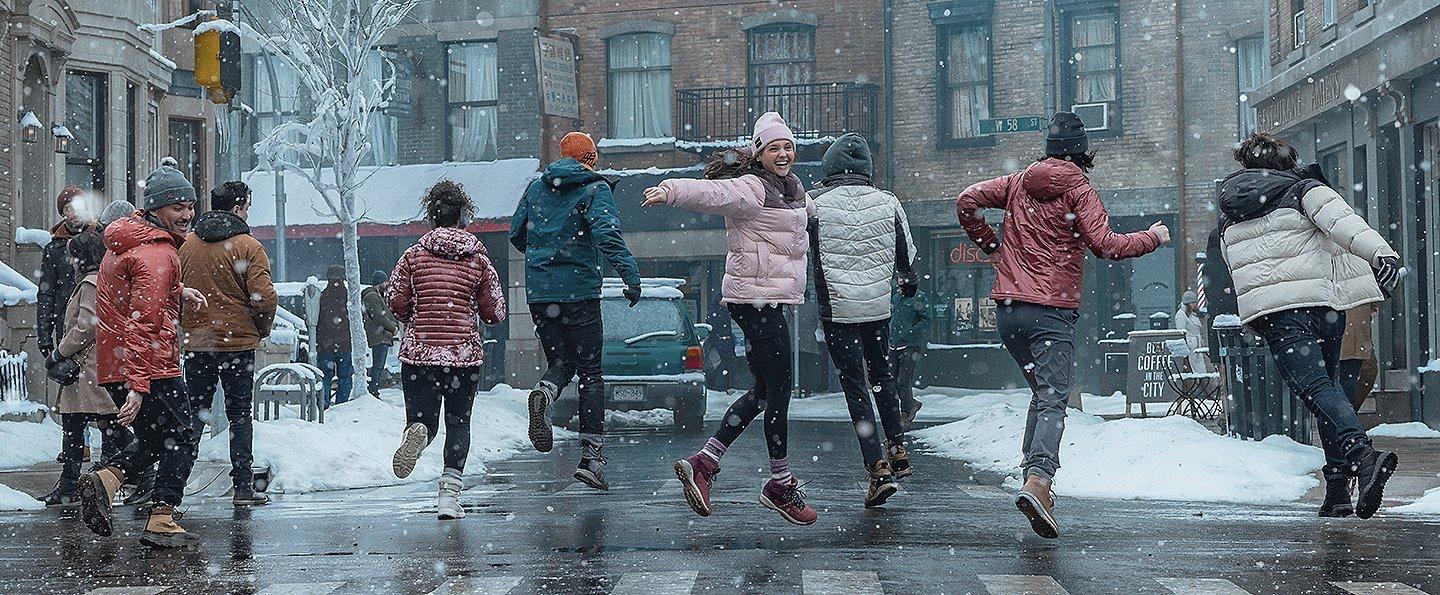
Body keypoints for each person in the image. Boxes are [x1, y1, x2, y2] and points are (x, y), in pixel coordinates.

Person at [957, 112, 1168, 538]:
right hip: (1050, 311)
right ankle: (1039, 480)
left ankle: (1034, 482)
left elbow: (966, 202)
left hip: (1009, 311)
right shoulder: (1079, 190)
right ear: (1082, 152)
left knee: (1042, 393)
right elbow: (1105, 245)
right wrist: (1152, 237)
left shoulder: (1017, 182)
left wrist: (993, 245)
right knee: (1054, 398)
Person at [1219, 132, 1402, 520]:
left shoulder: (1230, 209)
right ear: (1286, 161)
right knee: (1327, 388)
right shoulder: (1305, 190)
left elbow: (1232, 263)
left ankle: (1363, 457)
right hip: (1324, 306)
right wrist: (1382, 255)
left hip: (1278, 313)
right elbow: (1345, 225)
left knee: (1319, 391)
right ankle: (1337, 488)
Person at [646, 112, 819, 526]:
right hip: (754, 299)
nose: (783, 154)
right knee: (779, 389)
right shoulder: (752, 188)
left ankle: (704, 463)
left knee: (763, 392)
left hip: (768, 299)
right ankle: (779, 484)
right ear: (759, 153)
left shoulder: (794, 190)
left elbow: (819, 212)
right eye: (774, 148)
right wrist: (670, 191)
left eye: (788, 146)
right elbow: (712, 194)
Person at [76, 164, 208, 548]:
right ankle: (162, 516)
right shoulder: (157, 253)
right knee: (182, 437)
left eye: (190, 206)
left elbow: (132, 293)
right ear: (155, 209)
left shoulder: (129, 241)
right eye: (177, 207)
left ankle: (107, 479)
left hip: (117, 361)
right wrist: (138, 385)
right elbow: (144, 320)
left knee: (155, 439)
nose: (186, 215)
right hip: (150, 364)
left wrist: (178, 291)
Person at [509, 132, 642, 491]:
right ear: (591, 159)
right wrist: (630, 276)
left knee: (561, 363)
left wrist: (545, 253)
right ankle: (591, 458)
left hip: (541, 295)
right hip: (580, 292)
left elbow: (516, 234)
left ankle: (545, 392)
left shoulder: (536, 189)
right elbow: (607, 235)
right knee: (591, 373)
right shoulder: (594, 188)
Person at [807, 132, 917, 508]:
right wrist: (907, 284)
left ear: (830, 168)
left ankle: (876, 467)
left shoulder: (815, 205)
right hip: (877, 308)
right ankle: (897, 446)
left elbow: (799, 248)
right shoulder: (888, 201)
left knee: (855, 384)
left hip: (838, 310)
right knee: (882, 376)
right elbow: (907, 256)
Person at [387, 181, 507, 519]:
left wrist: (417, 315)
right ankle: (449, 496)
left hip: (419, 355)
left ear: (431, 217)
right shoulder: (479, 260)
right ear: (464, 217)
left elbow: (395, 301)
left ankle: (418, 433)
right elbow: (495, 312)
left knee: (424, 419)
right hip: (462, 357)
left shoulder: (412, 257)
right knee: (458, 423)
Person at [179, 181, 277, 506]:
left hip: (198, 342)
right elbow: (264, 298)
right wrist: (259, 329)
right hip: (237, 344)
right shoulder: (249, 247)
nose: (247, 213)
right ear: (237, 208)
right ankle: (243, 488)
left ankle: (173, 487)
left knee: (194, 413)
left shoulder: (188, 245)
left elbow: (174, 291)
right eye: (246, 207)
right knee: (240, 414)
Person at [38, 231, 134, 506]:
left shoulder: (91, 283)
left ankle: (142, 475)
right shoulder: (99, 280)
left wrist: (58, 353)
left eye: (73, 255)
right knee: (91, 424)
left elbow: (86, 327)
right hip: (90, 368)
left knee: (98, 425)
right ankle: (71, 485)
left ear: (82, 257)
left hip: (87, 369)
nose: (70, 261)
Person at [37, 186, 91, 367]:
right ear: (63, 214)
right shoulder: (54, 249)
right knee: (71, 378)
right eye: (68, 209)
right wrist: (44, 336)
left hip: (97, 321)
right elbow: (46, 293)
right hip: (67, 324)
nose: (74, 213)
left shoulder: (100, 238)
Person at [890, 284, 931, 428]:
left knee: (904, 380)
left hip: (910, 345)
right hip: (894, 343)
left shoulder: (919, 297)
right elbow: (892, 317)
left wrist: (910, 332)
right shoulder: (896, 297)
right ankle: (910, 404)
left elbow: (926, 320)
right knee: (891, 380)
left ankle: (905, 413)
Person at [316, 265, 354, 406]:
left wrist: (321, 341)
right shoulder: (349, 296)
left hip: (326, 345)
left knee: (325, 376)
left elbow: (316, 321)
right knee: (345, 376)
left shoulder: (323, 296)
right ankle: (341, 404)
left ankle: (324, 403)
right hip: (344, 344)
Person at [362, 270, 400, 397]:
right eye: (385, 281)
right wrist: (392, 327)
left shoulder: (377, 296)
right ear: (380, 282)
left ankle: (374, 388)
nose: (387, 284)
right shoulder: (373, 296)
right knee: (378, 365)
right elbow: (379, 316)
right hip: (380, 335)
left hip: (381, 334)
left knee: (379, 364)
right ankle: (373, 389)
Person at [1339, 303, 1380, 412]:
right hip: (1354, 335)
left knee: (1354, 375)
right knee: (1349, 377)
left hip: (1357, 336)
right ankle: (1347, 413)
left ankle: (1347, 412)